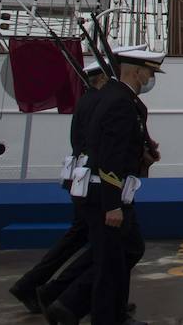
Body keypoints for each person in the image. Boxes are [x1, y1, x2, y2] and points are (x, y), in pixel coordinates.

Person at [58, 48, 163, 325]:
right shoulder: (119, 102)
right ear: (135, 71)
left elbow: (120, 148)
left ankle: (72, 306)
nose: (151, 77)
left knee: (126, 252)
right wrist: (112, 204)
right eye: (149, 71)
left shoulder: (120, 98)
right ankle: (102, 317)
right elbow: (110, 157)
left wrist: (143, 155)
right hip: (106, 194)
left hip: (111, 191)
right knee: (109, 263)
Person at [11, 59, 108, 315]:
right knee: (107, 247)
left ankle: (31, 285)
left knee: (79, 236)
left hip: (79, 177)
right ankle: (57, 291)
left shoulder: (86, 101)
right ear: (102, 78)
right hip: (93, 179)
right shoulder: (103, 102)